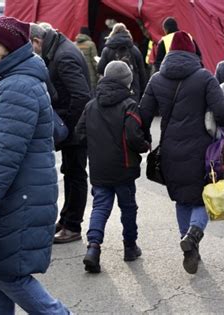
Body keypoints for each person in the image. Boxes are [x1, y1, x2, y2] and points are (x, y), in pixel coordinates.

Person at [0, 16, 70, 314]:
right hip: (18, 195)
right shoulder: (10, 82)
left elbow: (4, 156)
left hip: (17, 198)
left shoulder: (17, 86)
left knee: (8, 274)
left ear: (7, 49)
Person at [140, 31, 224, 274]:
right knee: (202, 197)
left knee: (181, 199)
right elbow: (222, 112)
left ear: (169, 54)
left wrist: (144, 140)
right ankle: (193, 235)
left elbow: (143, 114)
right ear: (192, 52)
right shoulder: (204, 77)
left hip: (170, 150)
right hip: (202, 152)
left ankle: (190, 246)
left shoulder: (157, 79)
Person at [74, 60, 149, 273]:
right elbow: (134, 136)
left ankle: (93, 247)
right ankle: (130, 246)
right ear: (128, 81)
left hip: (99, 168)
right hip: (124, 167)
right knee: (128, 208)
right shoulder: (129, 105)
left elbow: (79, 134)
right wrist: (145, 146)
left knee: (100, 207)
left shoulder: (91, 105)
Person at [30, 23, 92, 244]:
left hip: (75, 128)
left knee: (75, 174)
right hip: (75, 127)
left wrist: (65, 125)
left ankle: (73, 225)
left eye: (32, 47)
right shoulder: (58, 48)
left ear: (37, 41)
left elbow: (81, 95)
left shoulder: (63, 55)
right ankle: (66, 219)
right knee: (71, 172)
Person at [98, 23, 148, 102]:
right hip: (132, 88)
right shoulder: (135, 50)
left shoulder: (107, 50)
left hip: (112, 88)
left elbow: (100, 69)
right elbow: (142, 73)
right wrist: (143, 91)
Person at [75, 26, 99, 91]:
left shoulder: (74, 45)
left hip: (79, 75)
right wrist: (99, 73)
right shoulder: (91, 44)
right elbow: (95, 61)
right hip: (90, 76)